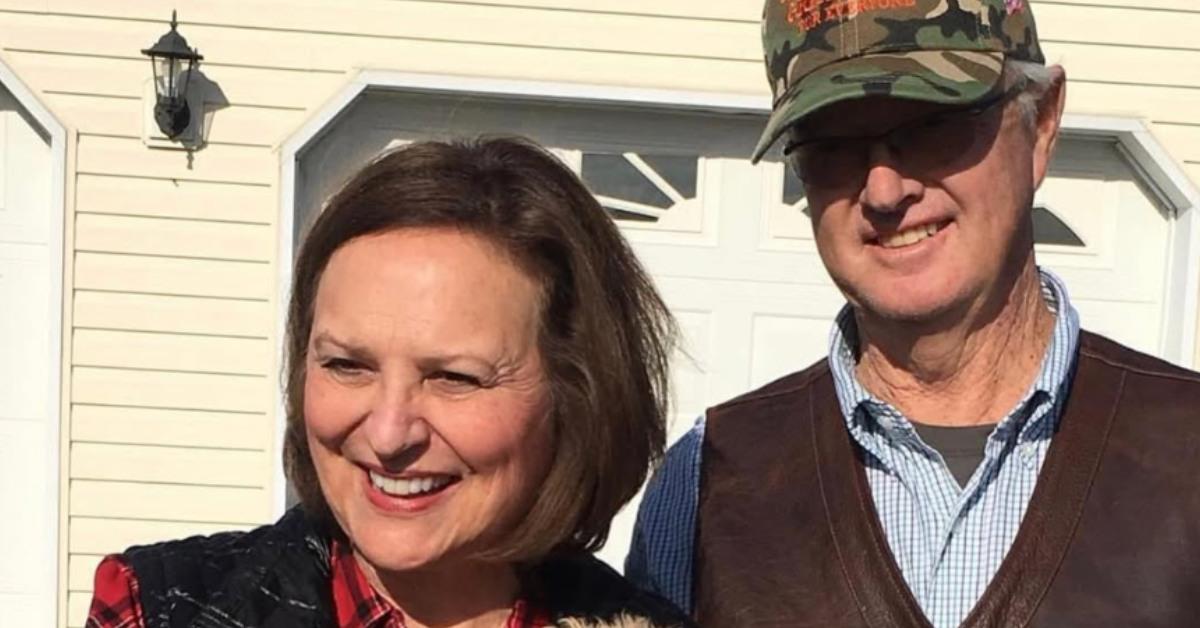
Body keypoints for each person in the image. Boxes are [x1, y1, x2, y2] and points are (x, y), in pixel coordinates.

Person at [628, 1, 1200, 627]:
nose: (883, 190)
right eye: (831, 145)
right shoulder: (706, 482)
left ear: (1041, 124)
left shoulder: (1184, 451)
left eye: (933, 124)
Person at [86, 137, 693, 628]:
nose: (387, 433)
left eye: (454, 377)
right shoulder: (161, 608)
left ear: (577, 396)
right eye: (347, 366)